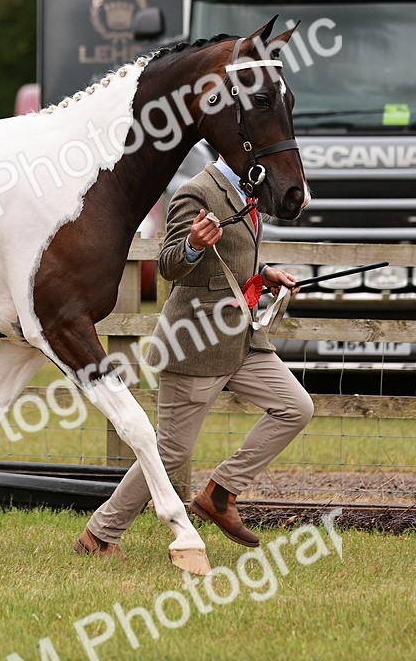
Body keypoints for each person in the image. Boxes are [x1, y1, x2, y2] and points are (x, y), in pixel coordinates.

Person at [75, 156, 312, 556]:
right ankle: (99, 535)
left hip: (243, 341)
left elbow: (236, 257)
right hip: (196, 345)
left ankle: (220, 493)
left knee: (296, 407)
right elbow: (169, 265)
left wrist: (265, 273)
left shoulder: (247, 190)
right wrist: (192, 245)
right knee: (170, 453)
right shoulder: (194, 192)